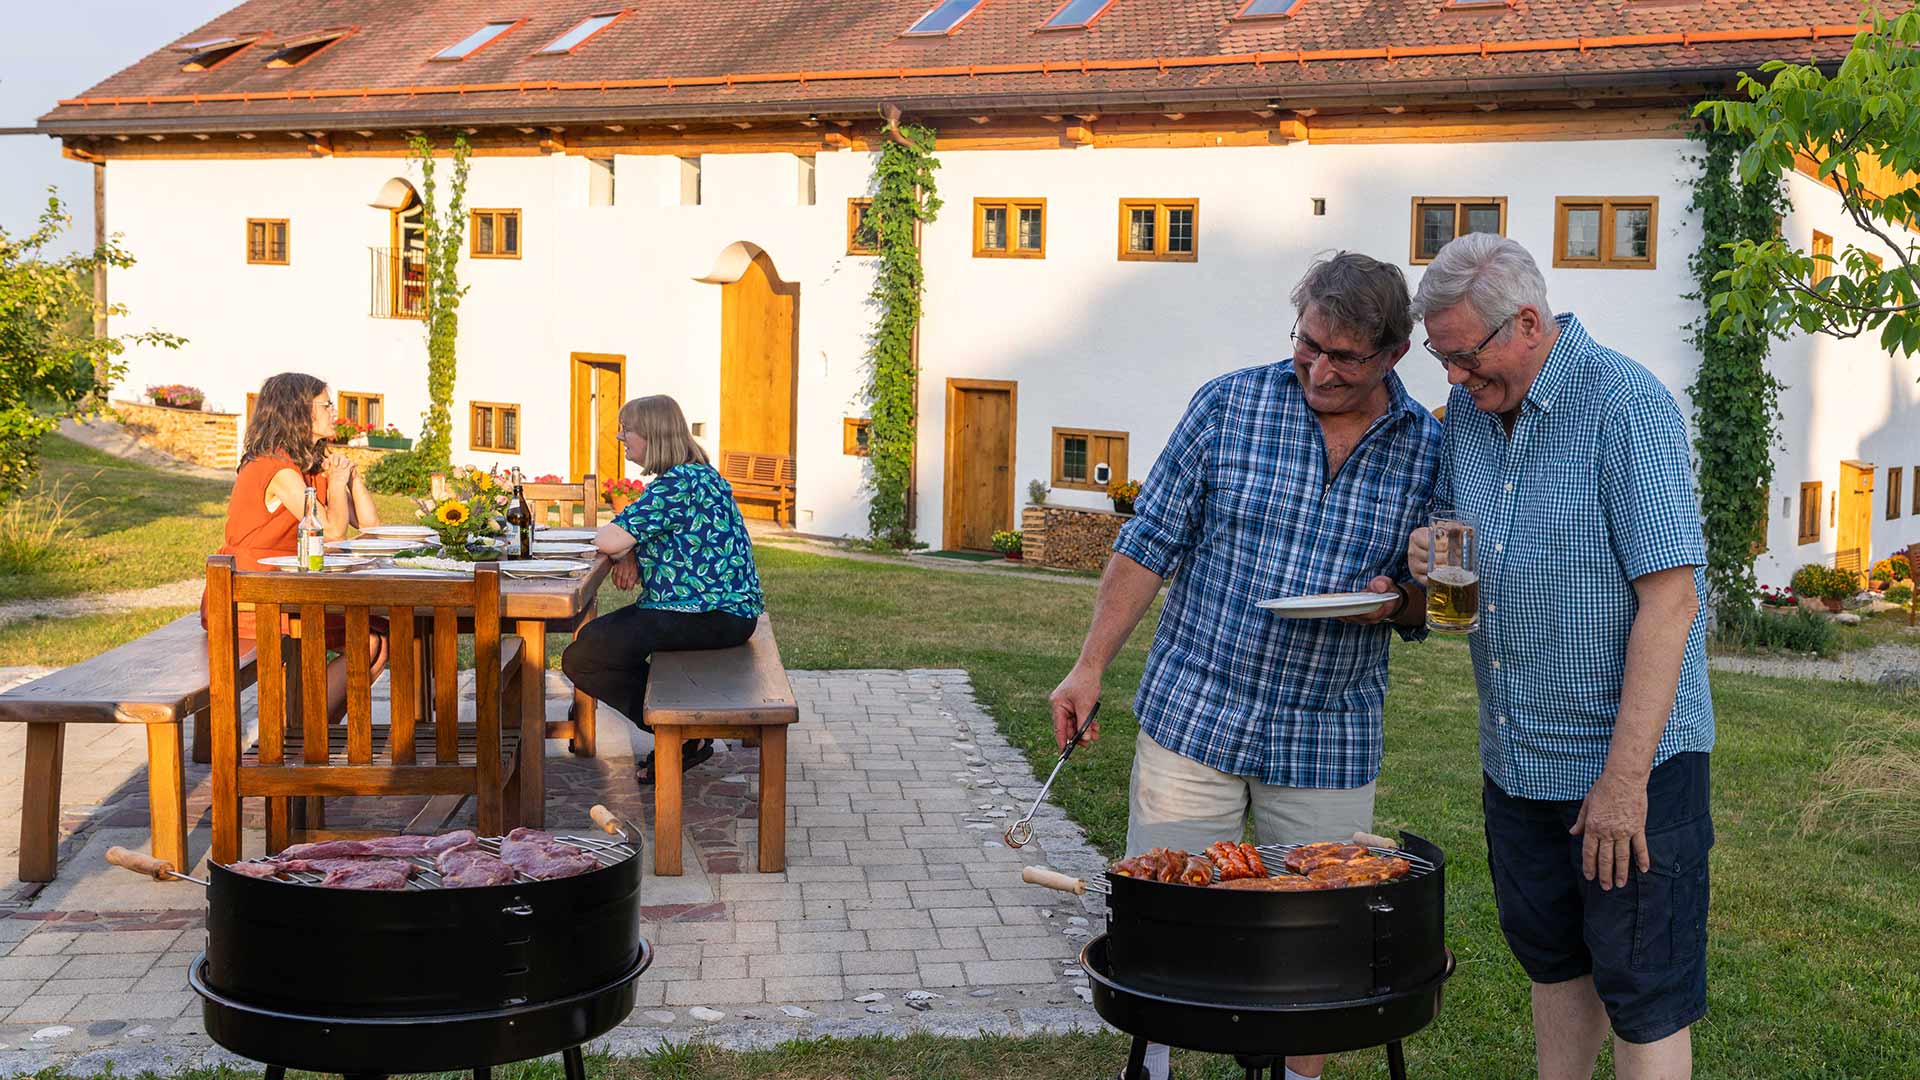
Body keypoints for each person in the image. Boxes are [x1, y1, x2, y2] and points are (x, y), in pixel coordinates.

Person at [1048, 252, 1442, 1080]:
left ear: (1393, 356)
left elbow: (1427, 602)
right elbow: (1146, 545)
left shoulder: (1428, 450)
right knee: (1170, 921)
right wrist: (1088, 670)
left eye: (1345, 358)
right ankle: (1152, 1072)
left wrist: (1397, 598)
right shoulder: (1229, 405)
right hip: (1196, 711)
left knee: (1322, 945)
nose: (1320, 369)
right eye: (1308, 344)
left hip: (1327, 733)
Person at [1405, 233, 1713, 1080]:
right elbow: (1441, 520)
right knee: (1555, 965)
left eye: (1464, 358)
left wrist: (1623, 785)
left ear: (1529, 324)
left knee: (1643, 989)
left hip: (1628, 770)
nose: (1455, 381)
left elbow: (1671, 598)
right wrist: (1425, 549)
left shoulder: (1626, 406)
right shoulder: (1471, 412)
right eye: (1443, 361)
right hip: (1518, 759)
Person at [562, 394, 764, 786]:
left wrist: (624, 547)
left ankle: (681, 732)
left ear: (652, 434)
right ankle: (681, 730)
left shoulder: (676, 484)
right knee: (596, 645)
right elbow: (628, 537)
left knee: (585, 655)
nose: (621, 438)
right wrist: (631, 550)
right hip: (719, 611)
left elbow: (607, 538)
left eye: (627, 429)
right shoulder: (696, 474)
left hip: (708, 614)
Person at [203, 372, 388, 718]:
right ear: (298, 412)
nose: (334, 412)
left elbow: (370, 529)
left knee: (378, 638)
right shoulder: (275, 468)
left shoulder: (310, 465)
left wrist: (353, 478)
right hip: (251, 594)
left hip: (289, 589)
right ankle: (305, 730)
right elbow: (332, 532)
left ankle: (311, 732)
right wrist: (336, 481)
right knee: (367, 641)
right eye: (326, 405)